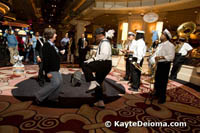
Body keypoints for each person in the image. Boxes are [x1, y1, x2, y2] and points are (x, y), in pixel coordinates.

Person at [82, 28, 112, 108]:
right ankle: (100, 101)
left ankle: (92, 81)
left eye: (95, 36)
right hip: (105, 64)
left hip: (104, 64)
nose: (95, 38)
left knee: (85, 65)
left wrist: (92, 59)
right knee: (98, 81)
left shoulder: (105, 43)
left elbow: (104, 56)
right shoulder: (104, 42)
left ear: (99, 35)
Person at [34, 28, 65, 104]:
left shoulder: (52, 45)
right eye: (55, 34)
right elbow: (46, 60)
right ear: (51, 35)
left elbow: (54, 56)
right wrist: (47, 72)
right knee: (55, 83)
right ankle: (39, 95)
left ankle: (53, 98)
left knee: (60, 82)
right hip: (51, 69)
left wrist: (60, 53)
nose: (56, 35)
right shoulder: (46, 46)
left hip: (55, 68)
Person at [153, 29, 175, 104]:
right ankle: (157, 93)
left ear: (166, 36)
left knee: (163, 81)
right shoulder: (160, 44)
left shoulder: (170, 45)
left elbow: (171, 56)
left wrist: (161, 57)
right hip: (159, 64)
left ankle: (162, 97)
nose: (161, 36)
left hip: (165, 64)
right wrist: (155, 60)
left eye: (162, 34)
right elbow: (157, 54)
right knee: (157, 80)